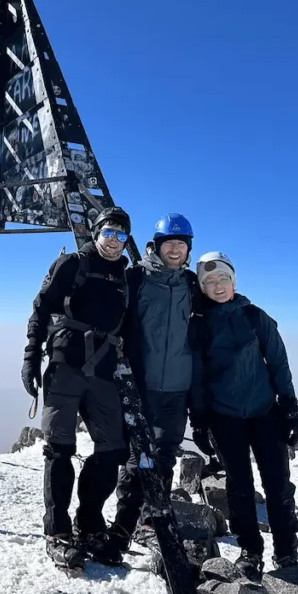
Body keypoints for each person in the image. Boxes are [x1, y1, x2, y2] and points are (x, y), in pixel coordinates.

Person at [23, 206, 133, 570]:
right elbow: (41, 308)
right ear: (96, 233)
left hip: (102, 373)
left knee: (113, 450)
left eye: (121, 235)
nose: (114, 240)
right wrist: (30, 356)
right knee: (59, 449)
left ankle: (88, 522)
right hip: (64, 367)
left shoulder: (126, 278)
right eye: (109, 232)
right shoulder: (72, 264)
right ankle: (57, 530)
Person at [191, 251, 298, 579]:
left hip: (265, 412)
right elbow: (196, 377)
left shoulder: (256, 317)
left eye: (223, 278)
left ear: (234, 281)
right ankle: (250, 551)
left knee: (278, 485)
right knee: (239, 487)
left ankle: (286, 554)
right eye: (209, 282)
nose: (217, 285)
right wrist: (198, 420)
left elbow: (279, 363)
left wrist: (291, 409)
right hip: (223, 417)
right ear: (202, 287)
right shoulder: (199, 325)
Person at [108, 213, 212, 556]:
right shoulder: (136, 278)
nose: (175, 250)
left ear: (188, 249)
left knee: (165, 455)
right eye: (170, 243)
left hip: (178, 387)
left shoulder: (192, 287)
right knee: (139, 457)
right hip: (142, 383)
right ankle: (123, 525)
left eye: (181, 245)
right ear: (157, 246)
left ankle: (152, 521)